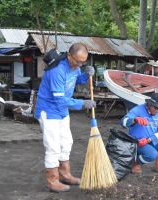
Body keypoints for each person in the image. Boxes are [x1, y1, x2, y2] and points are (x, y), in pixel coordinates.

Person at [34, 43, 96, 192]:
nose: (80, 64)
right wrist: (83, 103)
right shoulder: (57, 70)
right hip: (49, 111)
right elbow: (60, 100)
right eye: (79, 61)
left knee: (66, 142)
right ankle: (52, 180)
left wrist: (85, 74)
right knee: (53, 147)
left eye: (84, 62)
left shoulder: (74, 66)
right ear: (69, 56)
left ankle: (65, 174)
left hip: (62, 112)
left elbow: (75, 79)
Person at [121, 93, 158, 174]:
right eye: (155, 107)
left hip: (150, 140)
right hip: (137, 142)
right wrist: (134, 120)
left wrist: (149, 139)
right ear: (149, 104)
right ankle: (136, 163)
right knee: (152, 155)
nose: (157, 110)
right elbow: (123, 122)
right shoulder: (138, 109)